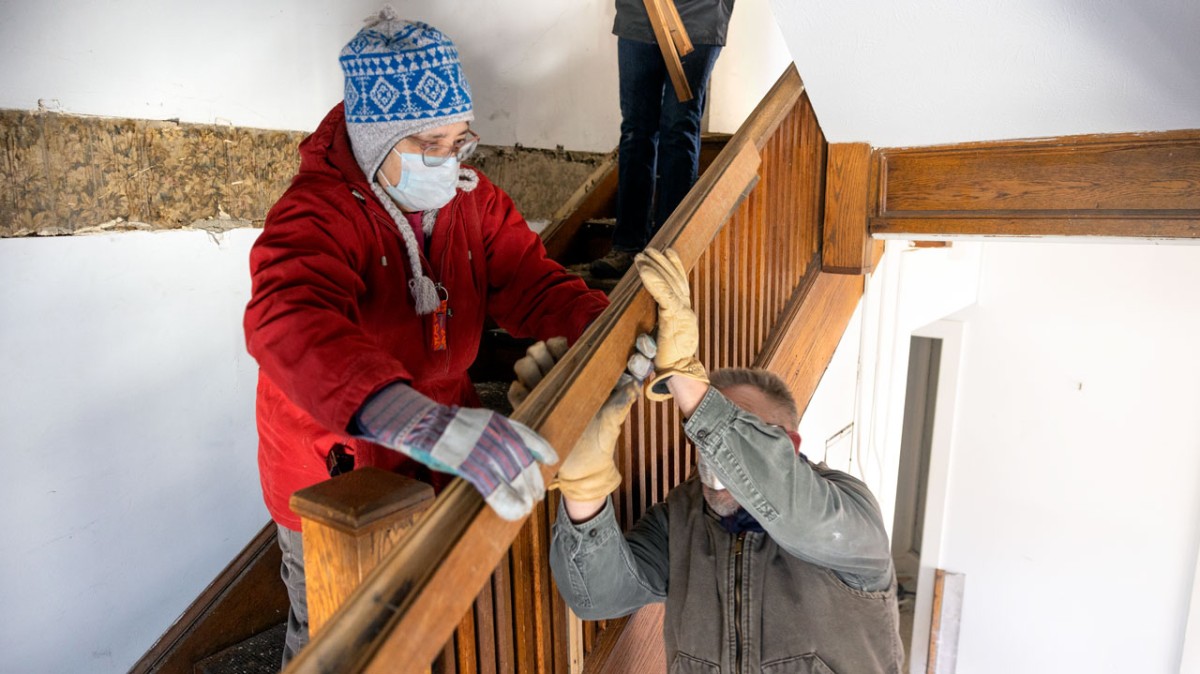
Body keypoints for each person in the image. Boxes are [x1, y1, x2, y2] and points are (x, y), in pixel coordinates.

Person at [243, 9, 609, 665]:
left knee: (430, 622)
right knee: (336, 638)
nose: (450, 162)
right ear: (376, 141)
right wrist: (413, 419)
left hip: (439, 445)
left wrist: (599, 327)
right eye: (428, 147)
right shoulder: (314, 213)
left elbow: (531, 280)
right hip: (336, 471)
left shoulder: (472, 200)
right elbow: (290, 320)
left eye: (460, 142)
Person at [550, 249, 905, 672]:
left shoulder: (849, 512)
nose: (714, 451)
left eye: (744, 430)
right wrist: (584, 488)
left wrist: (683, 376)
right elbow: (599, 596)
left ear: (788, 445)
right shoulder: (684, 517)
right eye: (707, 438)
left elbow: (797, 514)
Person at [590, 0, 734, 279]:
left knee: (678, 128)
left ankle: (669, 249)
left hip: (697, 17)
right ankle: (627, 246)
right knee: (636, 129)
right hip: (639, 16)